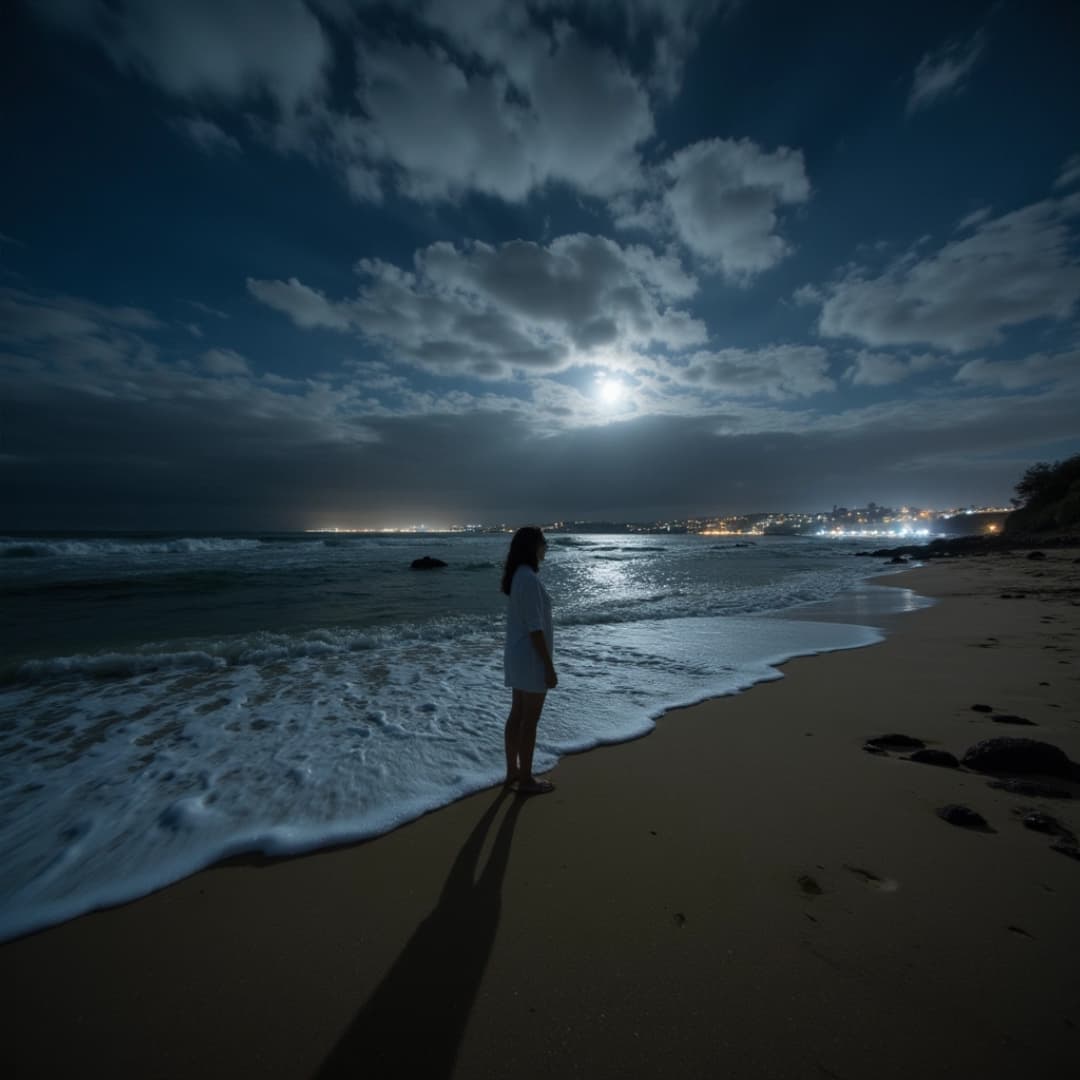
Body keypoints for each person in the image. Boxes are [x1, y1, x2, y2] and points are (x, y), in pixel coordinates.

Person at [500, 526, 557, 795]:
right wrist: (548, 666)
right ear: (533, 547)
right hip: (532, 658)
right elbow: (536, 629)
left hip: (516, 655)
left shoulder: (518, 577)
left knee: (517, 716)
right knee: (529, 721)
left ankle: (513, 771)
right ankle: (525, 779)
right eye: (544, 542)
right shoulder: (530, 581)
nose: (546, 547)